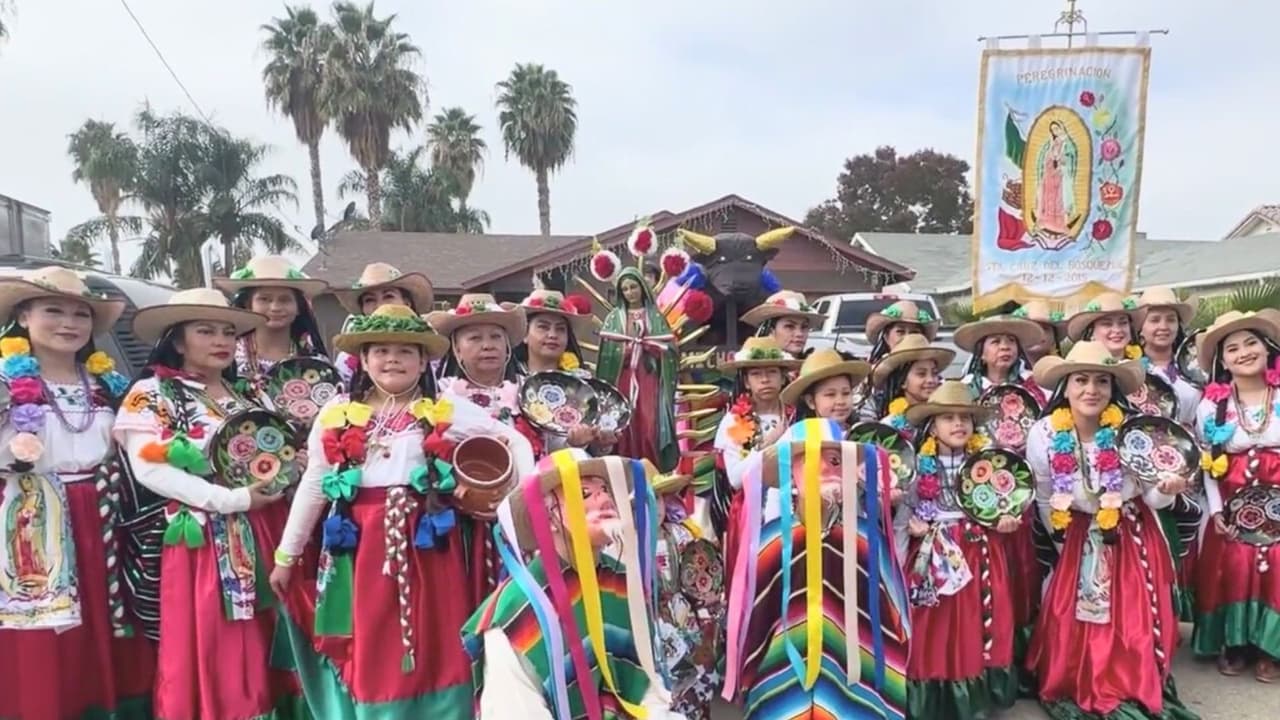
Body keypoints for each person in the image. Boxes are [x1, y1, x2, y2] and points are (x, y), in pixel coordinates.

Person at [268, 304, 534, 716]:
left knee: (436, 642)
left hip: (429, 546)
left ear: (423, 360)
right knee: (373, 643)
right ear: (365, 359)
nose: (392, 358)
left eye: (406, 351)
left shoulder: (445, 408)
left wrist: (518, 507)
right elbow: (316, 482)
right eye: (381, 350)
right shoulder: (336, 414)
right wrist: (286, 555)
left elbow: (512, 442)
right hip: (360, 547)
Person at [113, 288, 303, 719]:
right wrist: (232, 499)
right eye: (205, 331)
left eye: (228, 332)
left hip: (266, 529)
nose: (221, 341)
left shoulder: (249, 397)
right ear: (177, 340)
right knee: (220, 640)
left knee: (267, 634)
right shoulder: (152, 395)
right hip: (206, 539)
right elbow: (152, 471)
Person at [0, 267, 152, 720]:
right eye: (54, 311)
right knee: (46, 630)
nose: (69, 323)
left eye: (80, 314)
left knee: (110, 619)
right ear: (23, 317)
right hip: (32, 519)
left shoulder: (107, 386)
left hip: (105, 514)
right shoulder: (7, 383)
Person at [1025, 341, 1196, 719]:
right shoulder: (1044, 433)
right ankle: (1080, 678)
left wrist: (1166, 490)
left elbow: (1153, 498)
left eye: (1102, 381)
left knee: (1131, 618)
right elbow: (1045, 495)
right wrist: (1061, 542)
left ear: (1113, 388)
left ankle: (1131, 680)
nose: (1091, 390)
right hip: (1075, 535)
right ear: (1064, 388)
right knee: (1077, 618)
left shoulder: (1132, 432)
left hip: (1131, 534)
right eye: (1081, 380)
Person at [461, 449, 685, 719]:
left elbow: (647, 686)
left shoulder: (622, 583)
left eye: (605, 489)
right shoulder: (518, 606)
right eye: (584, 494)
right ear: (548, 518)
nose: (604, 498)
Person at [721, 418, 910, 719]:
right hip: (783, 664)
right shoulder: (772, 540)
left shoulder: (866, 539)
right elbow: (757, 616)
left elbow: (892, 612)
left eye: (835, 461)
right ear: (791, 474)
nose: (824, 468)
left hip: (856, 665)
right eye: (809, 459)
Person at [901, 381, 1019, 718]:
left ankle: (972, 691)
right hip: (933, 550)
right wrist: (912, 524)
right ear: (933, 426)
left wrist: (1005, 520)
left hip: (977, 547)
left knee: (976, 621)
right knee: (932, 623)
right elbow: (906, 504)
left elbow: (1006, 501)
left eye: (965, 418)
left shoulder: (989, 460)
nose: (958, 424)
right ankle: (930, 691)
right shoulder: (918, 462)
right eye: (948, 418)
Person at [427, 293, 537, 607]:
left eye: (495, 337)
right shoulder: (437, 401)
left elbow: (555, 450)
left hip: (523, 522)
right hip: (461, 524)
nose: (487, 345)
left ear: (508, 348)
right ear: (456, 349)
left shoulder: (532, 397)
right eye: (474, 337)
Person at [1192, 310, 1280, 682]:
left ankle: (1271, 648)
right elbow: (1209, 464)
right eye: (1232, 348)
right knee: (1235, 570)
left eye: (1251, 343)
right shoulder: (1211, 406)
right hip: (1232, 509)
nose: (1243, 352)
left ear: (1267, 348)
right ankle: (1236, 643)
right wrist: (1215, 513)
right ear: (1222, 361)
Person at [1134, 287, 1204, 623]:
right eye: (1155, 319)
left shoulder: (1195, 368)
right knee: (1155, 543)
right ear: (1141, 327)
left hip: (1187, 465)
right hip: (1143, 468)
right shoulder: (1128, 369)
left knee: (1184, 540)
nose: (1163, 326)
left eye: (1170, 319)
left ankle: (1177, 615)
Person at [711, 337, 801, 574]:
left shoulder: (798, 416)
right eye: (756, 374)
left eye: (772, 372)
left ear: (783, 378)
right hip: (752, 514)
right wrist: (769, 445)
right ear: (746, 382)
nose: (765, 379)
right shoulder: (733, 420)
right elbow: (736, 479)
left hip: (798, 510)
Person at [652, 468, 724, 720]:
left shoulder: (682, 534)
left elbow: (703, 577)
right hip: (651, 625)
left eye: (658, 499)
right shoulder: (621, 543)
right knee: (662, 690)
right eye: (644, 501)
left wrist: (709, 606)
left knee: (700, 675)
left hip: (685, 616)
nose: (654, 507)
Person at [596, 267, 680, 472]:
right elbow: (606, 353)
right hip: (622, 379)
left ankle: (652, 468)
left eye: (633, 287)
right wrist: (621, 354)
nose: (630, 292)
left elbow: (670, 351)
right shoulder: (614, 318)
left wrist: (653, 349)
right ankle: (624, 467)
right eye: (625, 289)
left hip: (649, 379)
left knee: (649, 425)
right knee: (624, 422)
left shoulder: (656, 317)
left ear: (642, 287)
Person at [513, 288, 612, 452]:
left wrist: (602, 443)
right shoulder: (509, 383)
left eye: (560, 329)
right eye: (543, 327)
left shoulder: (583, 386)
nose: (552, 335)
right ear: (524, 334)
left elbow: (597, 450)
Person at [213, 255, 330, 387]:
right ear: (248, 305)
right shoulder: (226, 358)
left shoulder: (317, 362)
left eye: (285, 300)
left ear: (298, 307)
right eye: (264, 299)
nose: (275, 308)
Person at [331, 262, 435, 385]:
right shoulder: (346, 359)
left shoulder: (430, 347)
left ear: (407, 303)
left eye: (388, 296)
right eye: (369, 300)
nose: (379, 305)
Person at [860, 334, 954, 434]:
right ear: (902, 382)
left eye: (934, 373)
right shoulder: (890, 426)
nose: (931, 380)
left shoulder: (947, 419)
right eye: (921, 374)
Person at [954, 314, 1048, 407]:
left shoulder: (1034, 386)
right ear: (981, 353)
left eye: (1011, 340)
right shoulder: (965, 388)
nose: (1005, 347)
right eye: (996, 342)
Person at [780, 347, 872, 429]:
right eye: (830, 394)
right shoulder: (797, 436)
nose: (840, 401)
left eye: (846, 393)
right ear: (811, 401)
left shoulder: (861, 436)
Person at [740, 289, 825, 357]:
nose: (799, 334)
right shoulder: (756, 372)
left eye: (804, 327)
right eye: (790, 326)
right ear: (770, 330)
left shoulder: (815, 368)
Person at [865, 300, 940, 364]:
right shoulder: (871, 374)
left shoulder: (930, 373)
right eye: (900, 332)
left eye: (914, 332)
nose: (907, 338)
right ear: (886, 337)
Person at [1012, 300, 1065, 365]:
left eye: (1044, 328)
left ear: (1054, 337)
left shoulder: (1066, 372)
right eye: (1031, 328)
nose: (1038, 334)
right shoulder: (1005, 371)